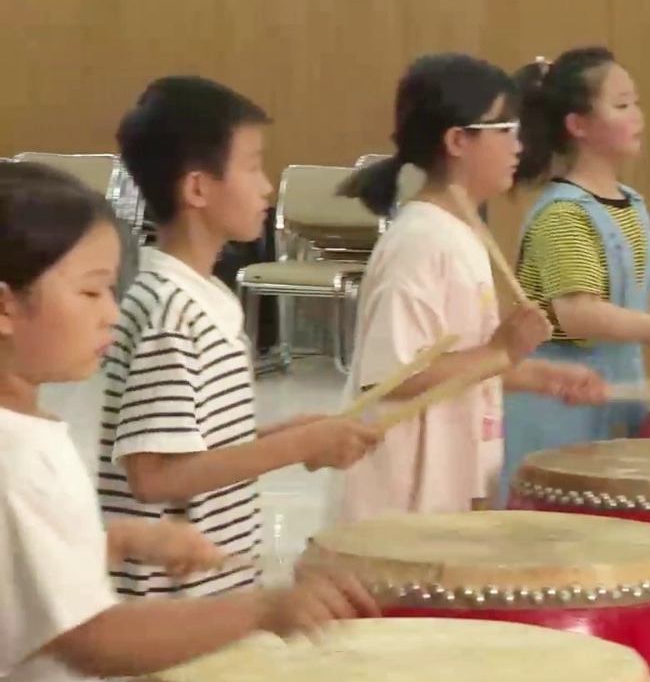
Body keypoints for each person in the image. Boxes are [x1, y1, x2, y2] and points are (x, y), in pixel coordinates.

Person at [1, 161, 377, 682]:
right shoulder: (19, 457)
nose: (111, 313)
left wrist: (119, 541)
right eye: (91, 292)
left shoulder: (23, 434)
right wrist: (264, 610)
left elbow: (19, 575)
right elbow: (93, 641)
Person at [99, 77, 383, 599]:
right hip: (171, 604)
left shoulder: (202, 294)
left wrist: (279, 436)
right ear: (197, 189)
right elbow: (154, 475)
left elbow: (189, 445)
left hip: (211, 590)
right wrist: (297, 446)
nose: (266, 187)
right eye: (252, 166)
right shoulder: (170, 310)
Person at [335, 53, 607, 523]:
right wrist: (501, 351)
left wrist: (535, 375)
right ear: (458, 140)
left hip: (449, 481)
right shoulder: (420, 241)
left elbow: (457, 363)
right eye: (506, 129)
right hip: (403, 500)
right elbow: (391, 377)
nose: (518, 145)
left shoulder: (461, 230)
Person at [502, 47, 650, 497]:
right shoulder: (563, 214)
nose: (637, 116)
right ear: (578, 125)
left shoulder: (630, 204)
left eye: (635, 102)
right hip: (558, 410)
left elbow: (622, 305)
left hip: (612, 399)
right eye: (621, 105)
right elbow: (577, 313)